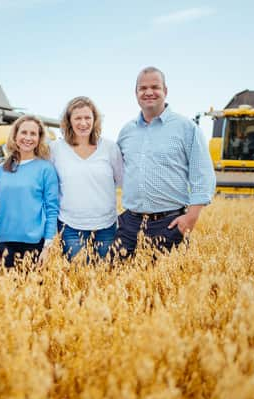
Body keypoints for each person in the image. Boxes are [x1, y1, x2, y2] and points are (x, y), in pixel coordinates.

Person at [114, 66, 216, 258]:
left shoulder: (187, 128)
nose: (149, 92)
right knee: (116, 282)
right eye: (143, 88)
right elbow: (114, 173)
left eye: (155, 87)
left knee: (165, 286)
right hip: (128, 225)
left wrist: (191, 217)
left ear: (165, 91)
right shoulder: (127, 131)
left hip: (169, 225)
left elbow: (202, 175)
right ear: (136, 93)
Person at [50, 96, 122, 260]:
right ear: (69, 121)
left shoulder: (110, 148)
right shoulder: (56, 149)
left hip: (106, 224)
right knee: (77, 278)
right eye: (78, 118)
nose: (83, 123)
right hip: (70, 225)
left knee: (106, 277)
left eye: (87, 117)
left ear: (95, 119)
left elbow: (122, 181)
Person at [0, 115, 59, 268]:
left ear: (39, 138)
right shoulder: (2, 168)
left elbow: (52, 209)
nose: (28, 138)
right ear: (15, 136)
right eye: (24, 132)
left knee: (33, 292)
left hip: (35, 244)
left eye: (33, 134)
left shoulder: (45, 169)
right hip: (4, 244)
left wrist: (47, 247)